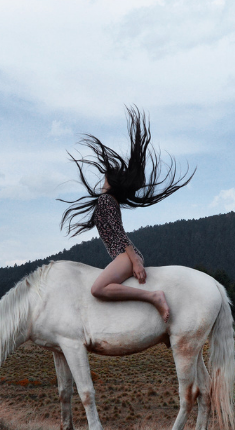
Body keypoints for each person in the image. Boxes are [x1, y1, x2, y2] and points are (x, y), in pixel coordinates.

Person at [60, 107, 193, 322]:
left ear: (110, 183)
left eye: (105, 178)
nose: (102, 180)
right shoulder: (108, 201)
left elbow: (119, 234)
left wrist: (135, 262)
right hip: (125, 255)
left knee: (98, 289)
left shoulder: (105, 200)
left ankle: (154, 297)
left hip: (125, 255)